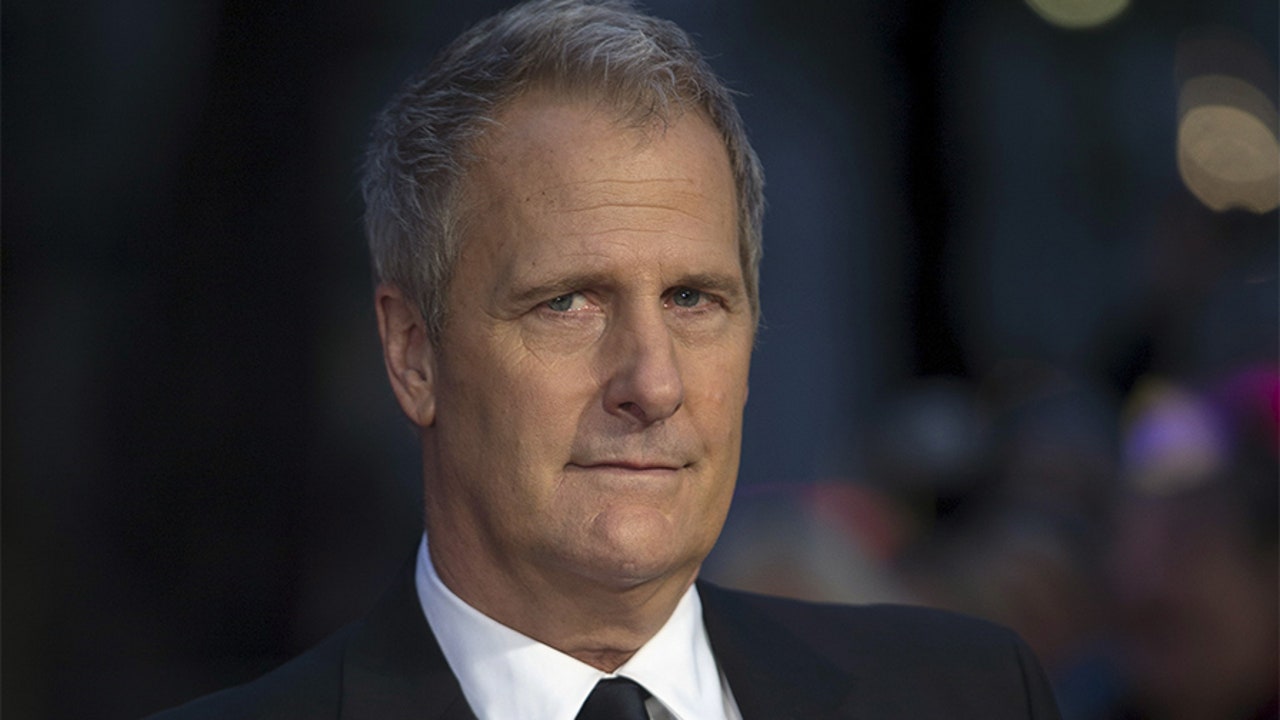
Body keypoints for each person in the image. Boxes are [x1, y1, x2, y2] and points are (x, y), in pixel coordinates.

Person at [150, 1, 1061, 717]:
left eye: (693, 299)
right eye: (568, 303)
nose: (652, 384)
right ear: (414, 354)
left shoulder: (968, 696)